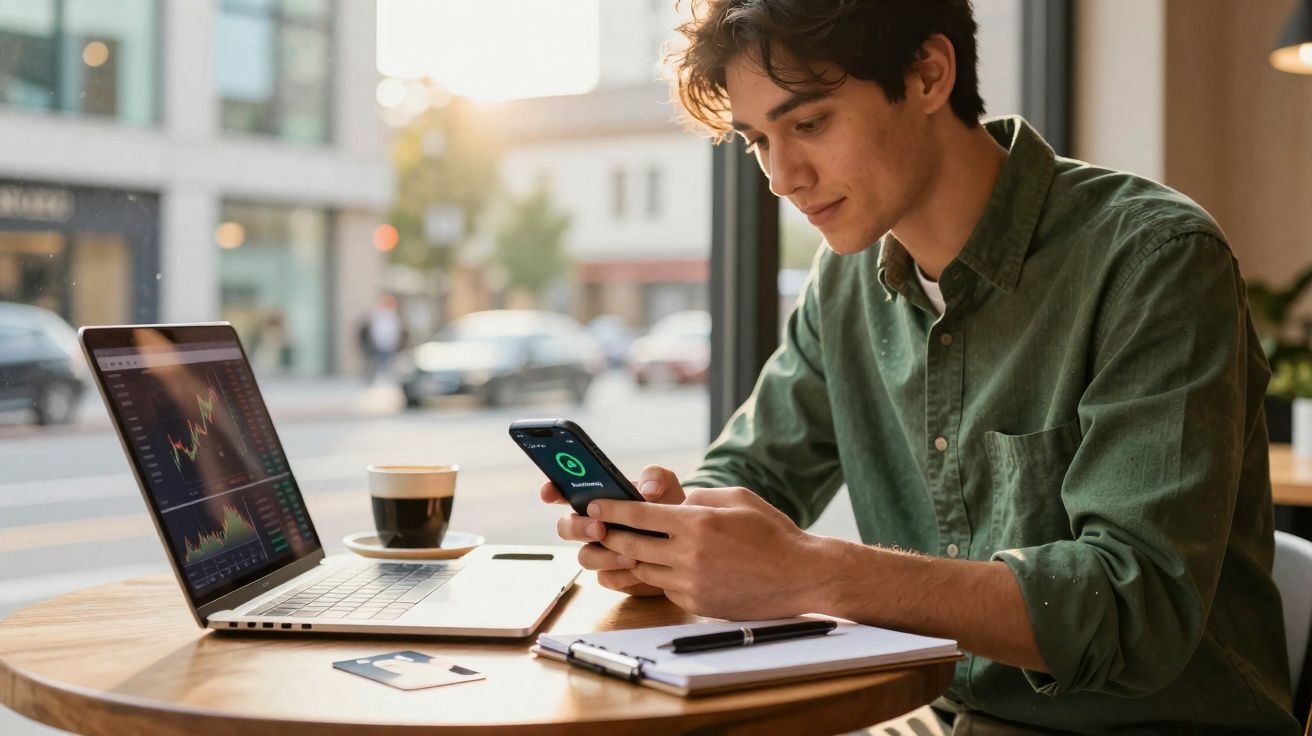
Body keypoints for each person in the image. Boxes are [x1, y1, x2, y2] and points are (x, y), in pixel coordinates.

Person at [539, 1, 1300, 734]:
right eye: (756, 140)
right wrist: (669, 528)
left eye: (807, 123)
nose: (781, 176)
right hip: (933, 718)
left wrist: (810, 572)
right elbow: (755, 471)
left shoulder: (1152, 261)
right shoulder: (846, 282)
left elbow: (1137, 610)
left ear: (930, 75)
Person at [358, 293, 407, 383]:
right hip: (376, 346)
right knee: (375, 367)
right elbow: (367, 331)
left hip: (390, 347)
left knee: (388, 368)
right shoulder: (375, 316)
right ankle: (374, 384)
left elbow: (399, 332)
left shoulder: (394, 317)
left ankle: (384, 384)